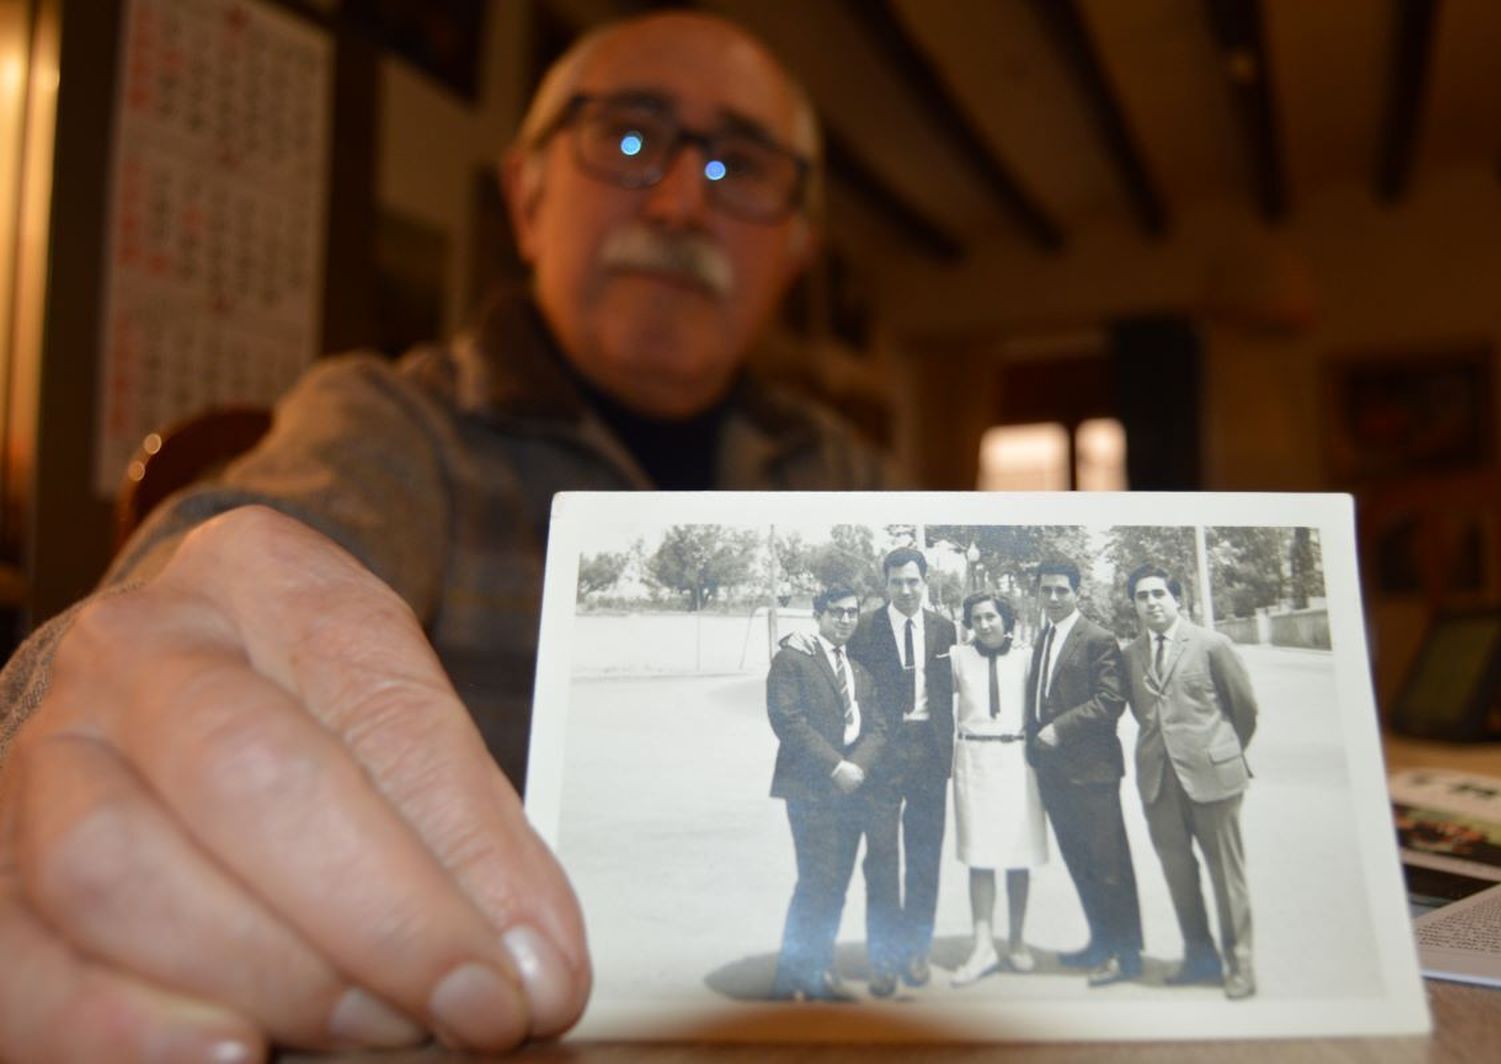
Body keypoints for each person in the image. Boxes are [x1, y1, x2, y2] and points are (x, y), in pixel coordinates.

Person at [0, 12, 894, 1060]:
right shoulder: (392, 422)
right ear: (526, 197)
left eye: (739, 166)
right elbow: (220, 562)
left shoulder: (846, 471)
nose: (681, 199)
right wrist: (119, 669)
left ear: (793, 249)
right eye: (629, 136)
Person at [1123, 563, 1260, 1000]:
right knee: (1179, 875)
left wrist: (1219, 752)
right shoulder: (1130, 655)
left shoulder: (1211, 644)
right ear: (1134, 605)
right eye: (1142, 596)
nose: (1151, 603)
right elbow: (1143, 714)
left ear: (1176, 599)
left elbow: (1244, 709)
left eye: (1159, 594)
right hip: (1159, 783)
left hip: (1213, 779)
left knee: (1226, 876)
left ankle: (1240, 964)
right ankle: (1199, 958)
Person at [767, 586, 897, 1002]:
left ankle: (818, 969)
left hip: (852, 788)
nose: (845, 619)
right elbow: (788, 720)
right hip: (811, 788)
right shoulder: (793, 660)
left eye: (852, 613)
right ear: (818, 615)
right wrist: (835, 766)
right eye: (836, 612)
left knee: (835, 883)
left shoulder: (858, 669)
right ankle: (790, 977)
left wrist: (857, 766)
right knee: (815, 880)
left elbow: (878, 727)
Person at [1024, 560, 1145, 987]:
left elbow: (1111, 701)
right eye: (1046, 590)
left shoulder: (1097, 638)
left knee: (1108, 865)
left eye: (1062, 590)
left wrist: (1060, 728)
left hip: (1093, 772)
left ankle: (1126, 955)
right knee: (1080, 863)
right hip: (1054, 773)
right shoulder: (1044, 637)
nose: (1053, 597)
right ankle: (1100, 942)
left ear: (1077, 592)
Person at [846, 546, 956, 994]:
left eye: (913, 581)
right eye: (897, 582)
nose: (906, 590)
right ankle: (883, 956)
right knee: (882, 856)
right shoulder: (865, 629)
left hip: (929, 751)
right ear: (885, 584)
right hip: (882, 754)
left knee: (925, 856)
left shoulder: (944, 628)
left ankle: (916, 950)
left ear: (925, 582)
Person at [947, 592, 1048, 988]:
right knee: (980, 856)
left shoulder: (1026, 658)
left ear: (1006, 619)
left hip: (1017, 761)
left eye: (991, 616)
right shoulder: (957, 657)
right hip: (974, 759)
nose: (985, 624)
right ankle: (983, 946)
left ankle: (1017, 941)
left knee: (1019, 856)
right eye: (976, 618)